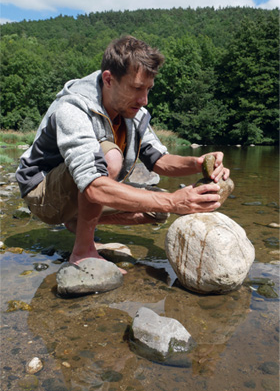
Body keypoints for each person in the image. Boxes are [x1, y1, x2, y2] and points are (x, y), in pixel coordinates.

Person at [16, 35, 230, 272]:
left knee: (156, 211)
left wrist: (199, 164)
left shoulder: (133, 111)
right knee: (111, 158)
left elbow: (160, 161)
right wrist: (173, 201)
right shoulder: (73, 107)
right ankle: (82, 251)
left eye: (148, 89)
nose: (144, 99)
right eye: (137, 88)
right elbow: (93, 185)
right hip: (43, 195)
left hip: (79, 191)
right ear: (108, 79)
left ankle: (76, 221)